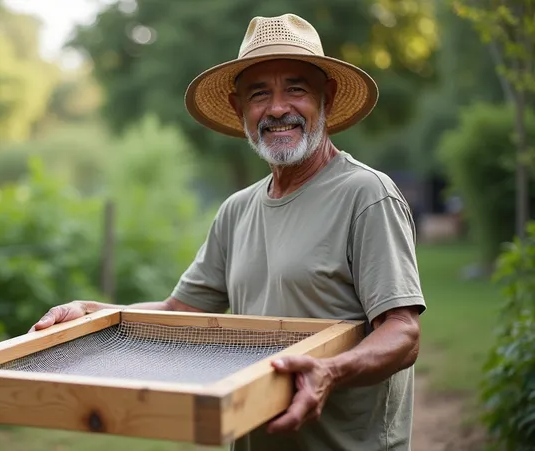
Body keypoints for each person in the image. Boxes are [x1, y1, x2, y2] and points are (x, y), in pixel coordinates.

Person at [29, 13, 426, 451]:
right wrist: (94, 313)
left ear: (325, 98)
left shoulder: (366, 196)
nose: (277, 108)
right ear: (240, 110)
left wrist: (331, 370)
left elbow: (402, 332)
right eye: (259, 94)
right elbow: (179, 312)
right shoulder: (237, 211)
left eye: (295, 88)